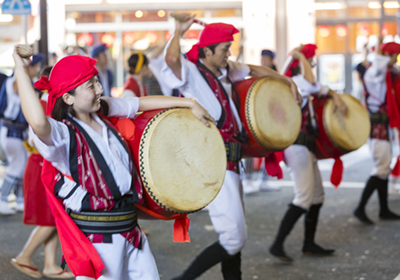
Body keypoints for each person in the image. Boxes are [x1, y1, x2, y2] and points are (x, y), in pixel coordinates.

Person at [13, 45, 214, 279]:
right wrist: (20, 67)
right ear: (68, 97)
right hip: (99, 242)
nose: (99, 89)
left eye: (97, 82)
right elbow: (38, 123)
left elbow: (140, 103)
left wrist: (189, 103)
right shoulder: (61, 136)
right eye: (91, 86)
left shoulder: (104, 109)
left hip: (131, 233)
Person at [162, 14, 300, 279]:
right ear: (207, 50)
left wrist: (287, 81)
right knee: (233, 238)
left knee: (234, 237)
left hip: (232, 163)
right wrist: (178, 31)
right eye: (225, 49)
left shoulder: (225, 70)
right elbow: (170, 60)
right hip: (213, 164)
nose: (229, 53)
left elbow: (255, 70)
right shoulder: (191, 73)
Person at [269, 44, 347, 262]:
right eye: (311, 62)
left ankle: (309, 244)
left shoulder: (300, 83)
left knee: (316, 196)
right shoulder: (298, 83)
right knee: (304, 198)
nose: (312, 65)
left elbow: (322, 88)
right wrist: (300, 56)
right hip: (297, 146)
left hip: (305, 146)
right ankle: (277, 244)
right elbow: (313, 82)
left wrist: (335, 96)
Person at [11, 64, 75, 280]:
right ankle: (24, 256)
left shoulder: (48, 104)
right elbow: (36, 140)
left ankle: (49, 265)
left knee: (53, 217)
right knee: (55, 217)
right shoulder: (41, 106)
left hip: (46, 166)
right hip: (42, 166)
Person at [353, 40, 400, 224]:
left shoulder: (387, 72)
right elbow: (380, 68)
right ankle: (360, 207)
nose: (395, 60)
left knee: (384, 168)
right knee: (380, 168)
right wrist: (380, 51)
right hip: (377, 125)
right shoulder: (375, 72)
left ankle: (383, 209)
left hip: (385, 125)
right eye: (394, 56)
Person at [0, 53, 45, 215]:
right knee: (17, 167)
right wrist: (22, 66)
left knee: (22, 166)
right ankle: (2, 197)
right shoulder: (16, 81)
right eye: (37, 66)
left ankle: (20, 199)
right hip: (11, 129)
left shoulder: (23, 81)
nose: (38, 70)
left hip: (18, 130)